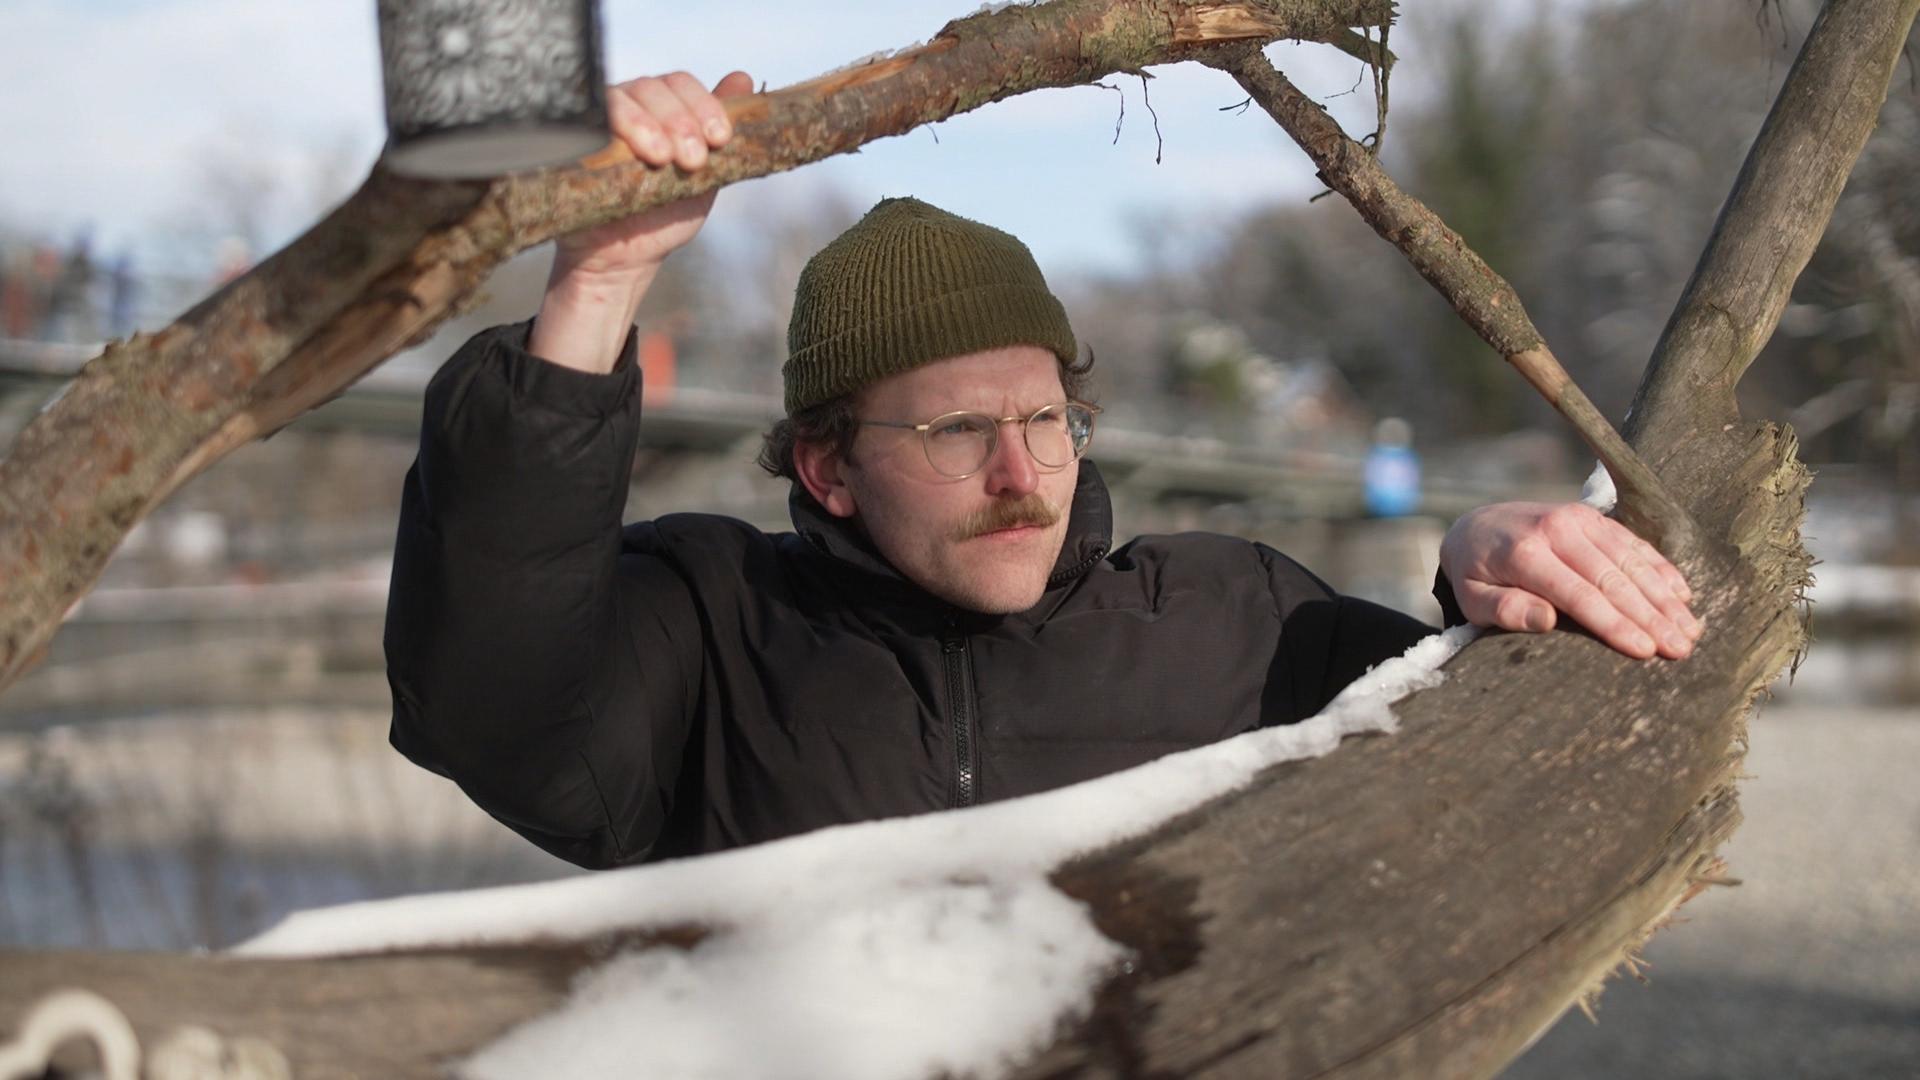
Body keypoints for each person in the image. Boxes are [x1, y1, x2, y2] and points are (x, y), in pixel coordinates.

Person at [385, 72, 1702, 868]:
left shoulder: (1238, 618)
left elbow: (1495, 757)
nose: (1024, 471)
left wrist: (1485, 569)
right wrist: (601, 278)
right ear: (828, 469)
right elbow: (492, 705)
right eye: (957, 431)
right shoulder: (709, 634)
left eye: (1048, 419)